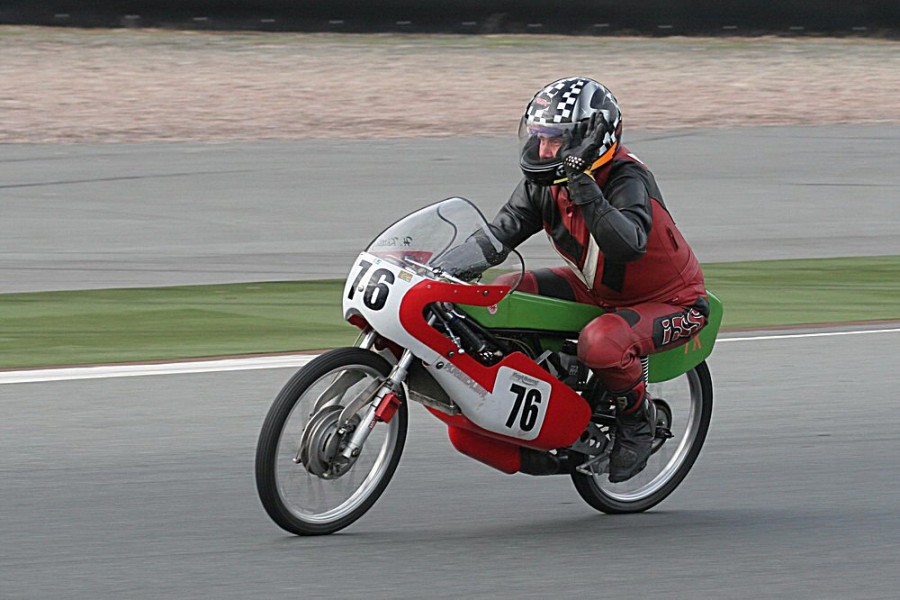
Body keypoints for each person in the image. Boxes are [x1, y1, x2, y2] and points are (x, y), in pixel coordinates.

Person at [486, 77, 709, 483]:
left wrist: (583, 185)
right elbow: (500, 232)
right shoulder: (544, 183)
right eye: (538, 137)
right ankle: (537, 401)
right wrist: (445, 265)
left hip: (673, 301)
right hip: (597, 291)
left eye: (554, 139)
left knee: (602, 342)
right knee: (501, 293)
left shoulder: (627, 178)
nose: (543, 149)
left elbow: (626, 245)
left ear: (589, 139)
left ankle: (638, 420)